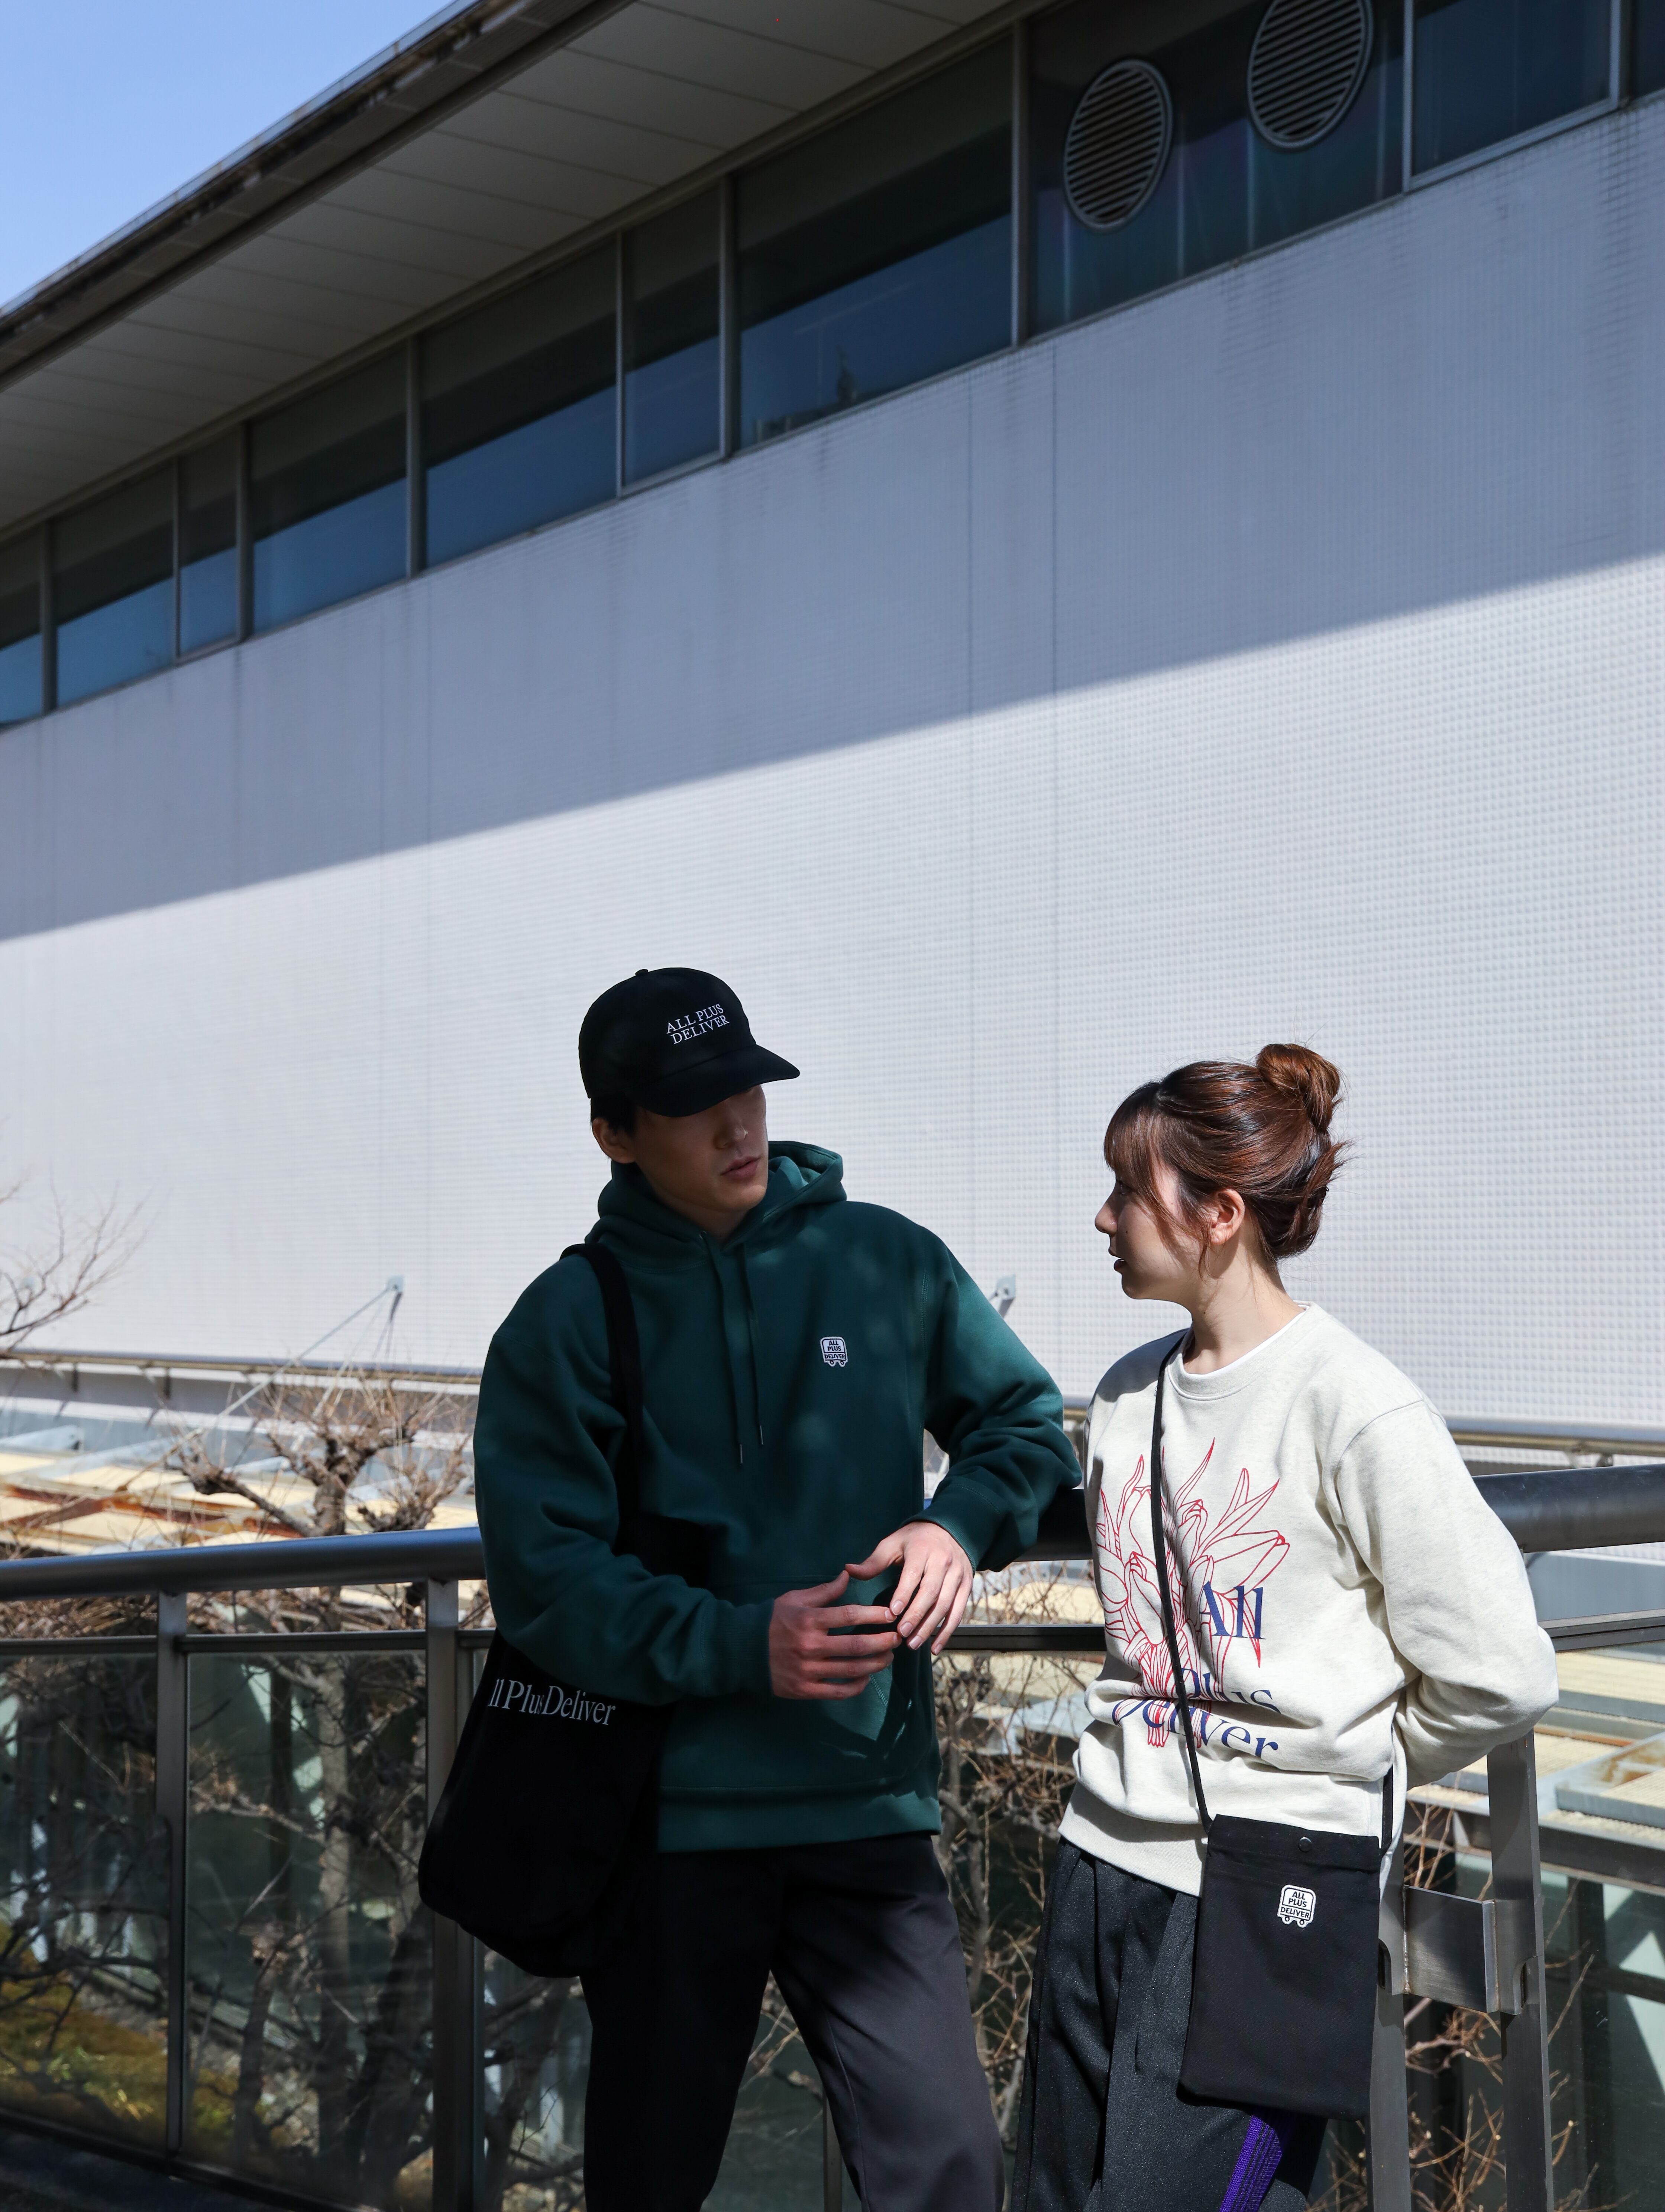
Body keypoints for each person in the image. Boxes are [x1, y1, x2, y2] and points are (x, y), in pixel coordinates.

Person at [473, 967, 1079, 2212]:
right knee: (651, 2185)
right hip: (669, 1823)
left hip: (869, 1807)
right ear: (615, 1134)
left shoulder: (888, 1259)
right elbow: (548, 1583)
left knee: (952, 2169)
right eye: (694, 1107)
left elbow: (1025, 1426)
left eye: (748, 1090)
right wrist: (743, 1646)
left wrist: (958, 1526)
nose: (738, 1125)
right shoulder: (566, 1321)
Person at [1012, 1046, 1558, 2212]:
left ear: (1219, 1213)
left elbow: (1500, 1672)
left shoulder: (1356, 1405)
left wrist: (1340, 1767)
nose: (1102, 1217)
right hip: (1098, 1861)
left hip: (1270, 1892)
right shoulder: (1125, 1396)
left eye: (1127, 1190)